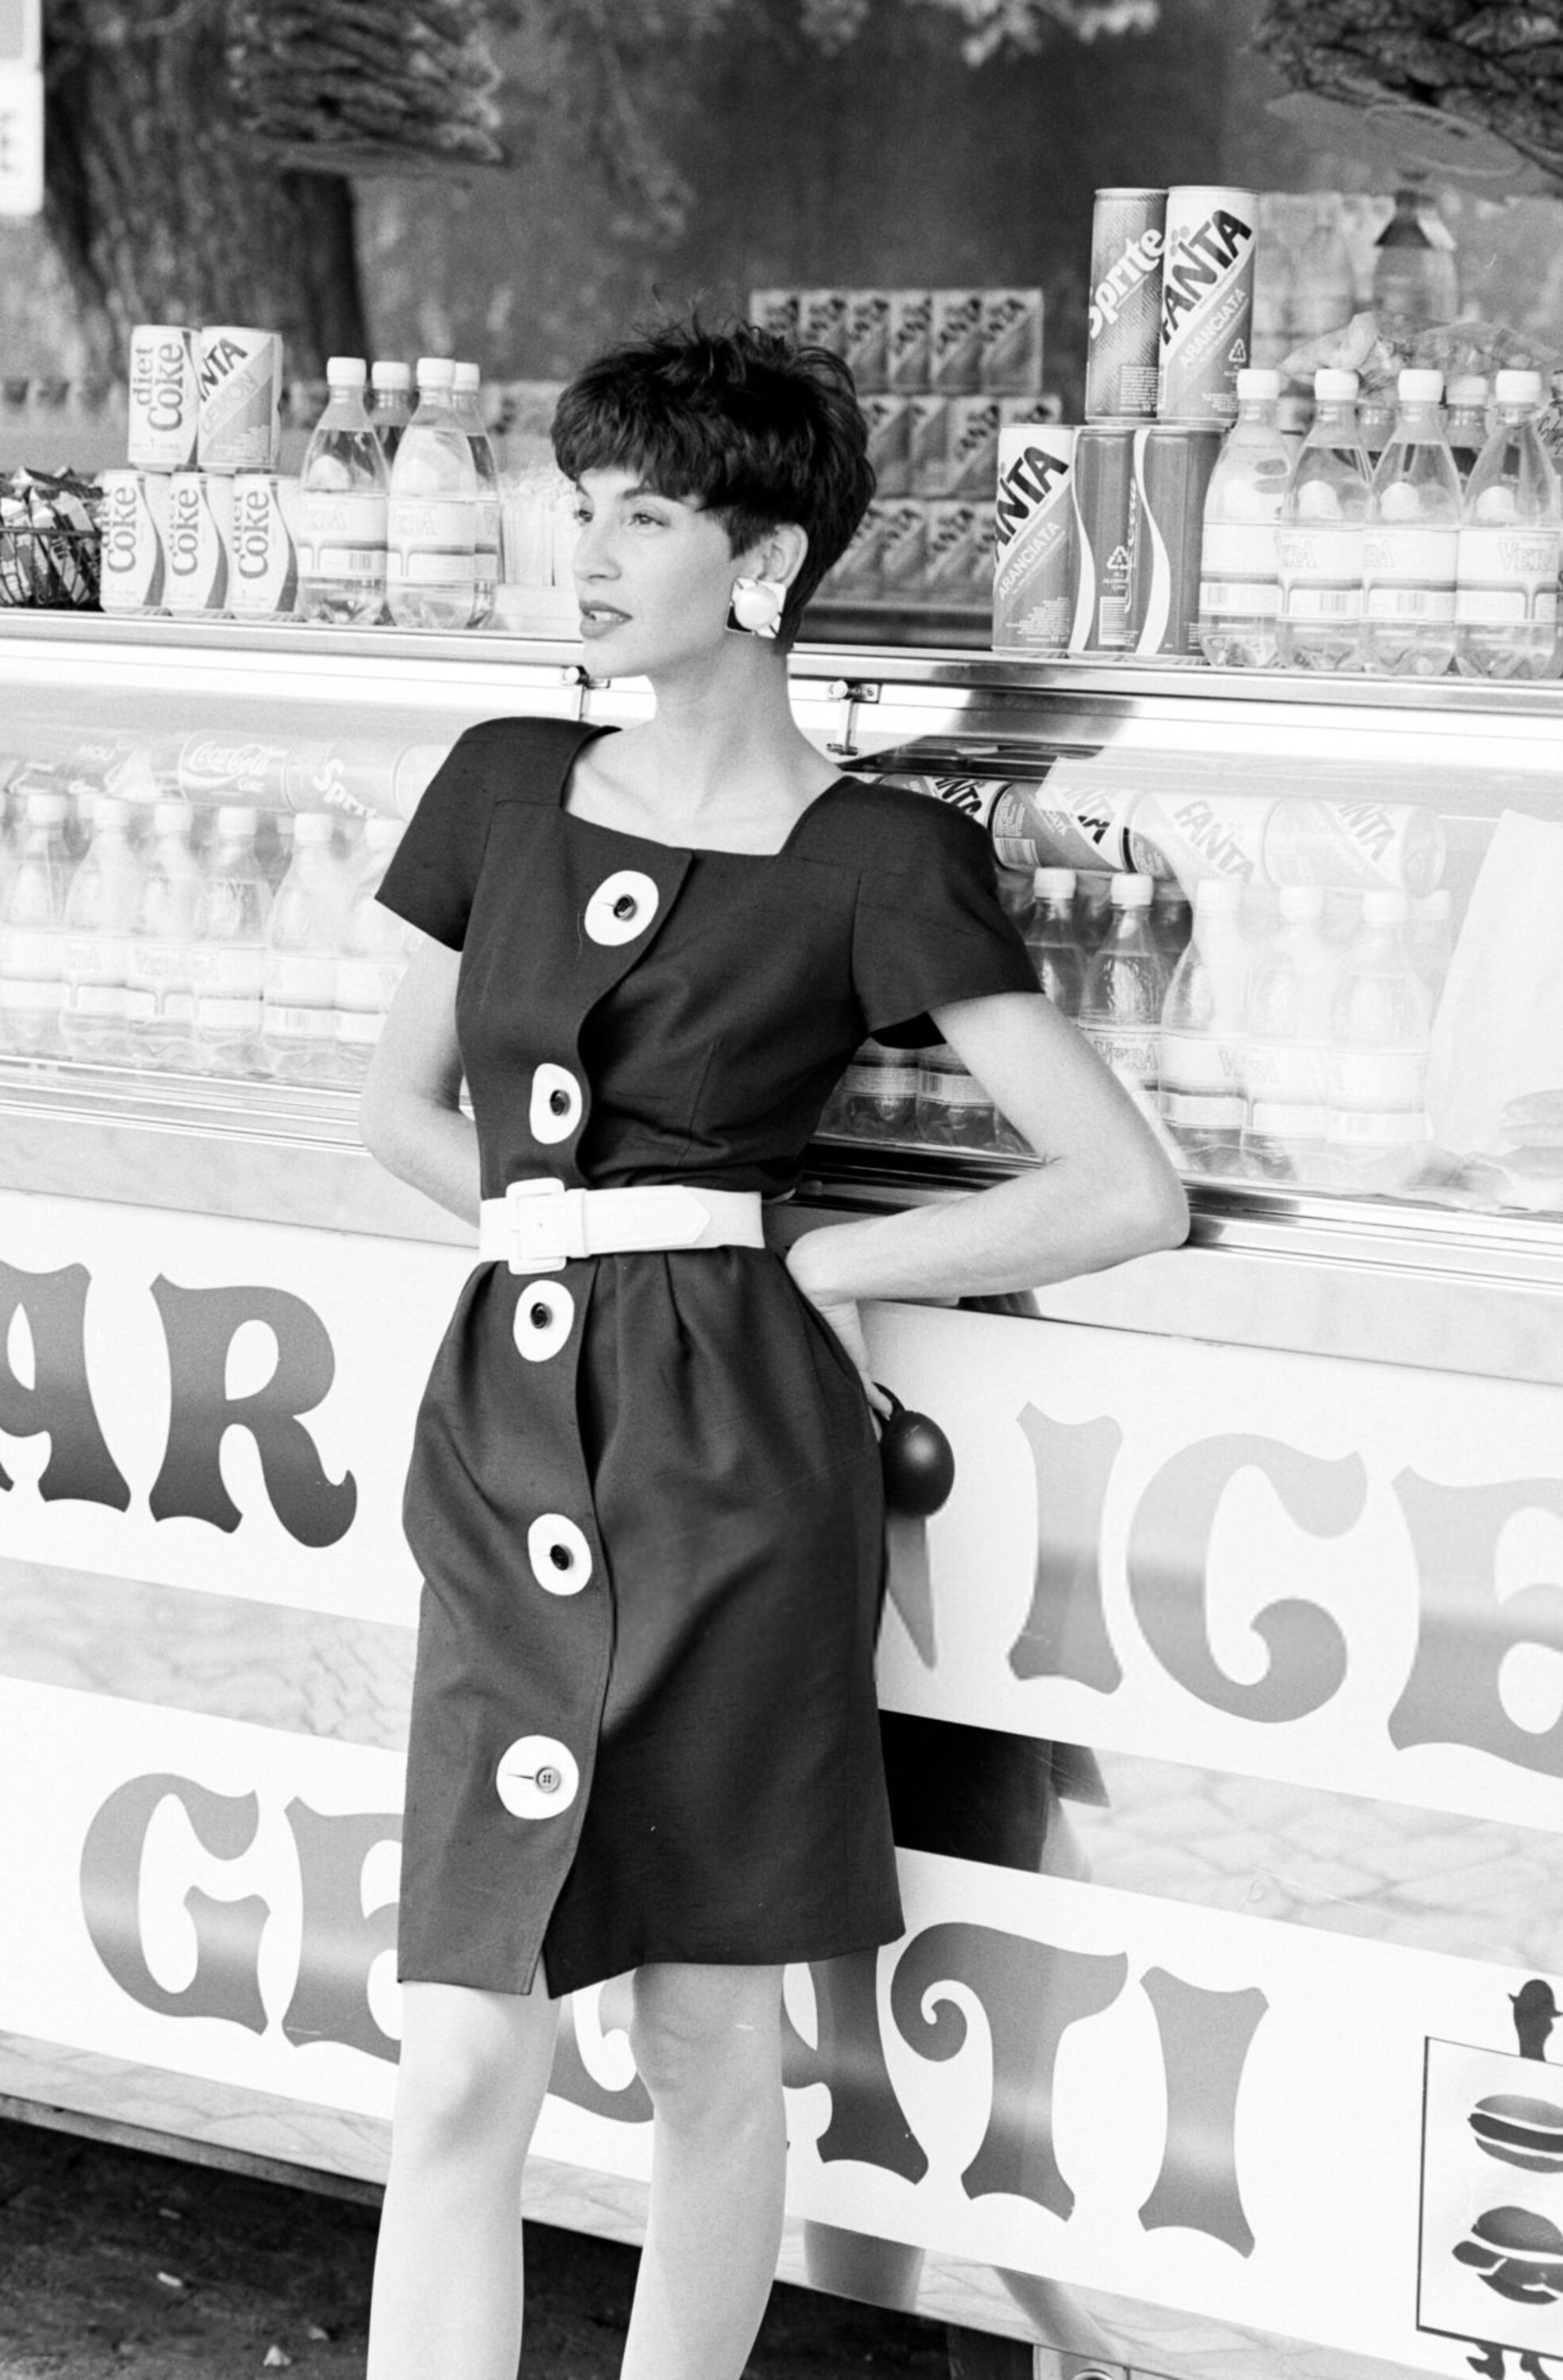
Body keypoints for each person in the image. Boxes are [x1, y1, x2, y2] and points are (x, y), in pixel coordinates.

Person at [358, 312, 1188, 2380]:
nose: (586, 551)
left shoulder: (878, 855)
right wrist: (568, 1237)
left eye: (643, 515)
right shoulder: (501, 782)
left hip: (735, 1467)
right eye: (579, 504)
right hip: (510, 1436)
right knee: (459, 2051)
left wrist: (792, 1268)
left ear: (765, 561)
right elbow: (394, 1113)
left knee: (702, 2033)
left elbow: (1122, 1187)